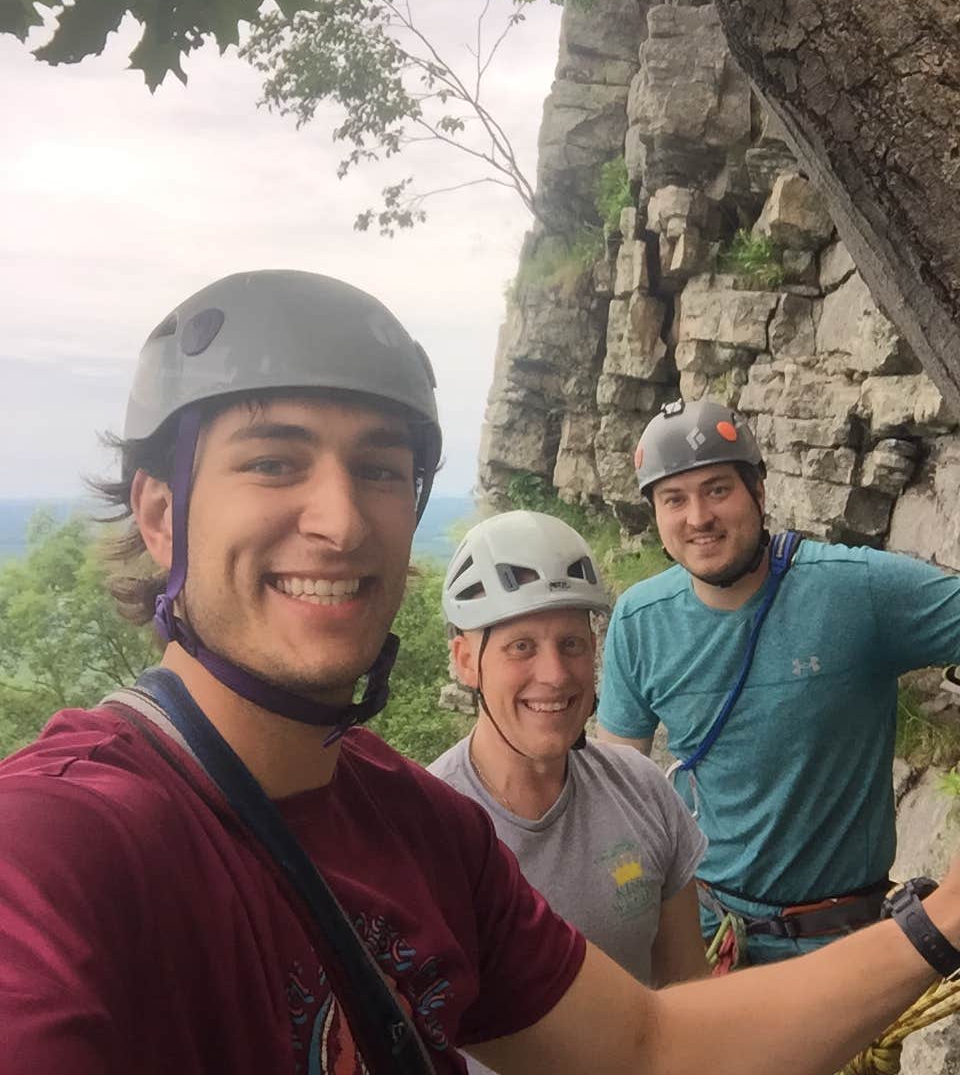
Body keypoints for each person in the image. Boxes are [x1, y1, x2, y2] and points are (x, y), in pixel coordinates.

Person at [2, 271, 960, 1075]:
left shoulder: (422, 830)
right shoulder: (56, 847)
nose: (338, 519)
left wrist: (944, 920)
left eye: (380, 470)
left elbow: (650, 1044)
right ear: (162, 516)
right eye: (272, 462)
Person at [597, 396, 960, 966]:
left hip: (837, 942)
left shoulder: (854, 590)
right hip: (703, 932)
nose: (698, 517)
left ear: (758, 494)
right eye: (674, 499)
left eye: (718, 489)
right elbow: (621, 795)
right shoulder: (640, 620)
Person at [429, 509, 707, 1024]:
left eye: (572, 644)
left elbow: (690, 997)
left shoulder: (641, 790)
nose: (555, 675)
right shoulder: (425, 829)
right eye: (522, 647)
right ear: (466, 660)